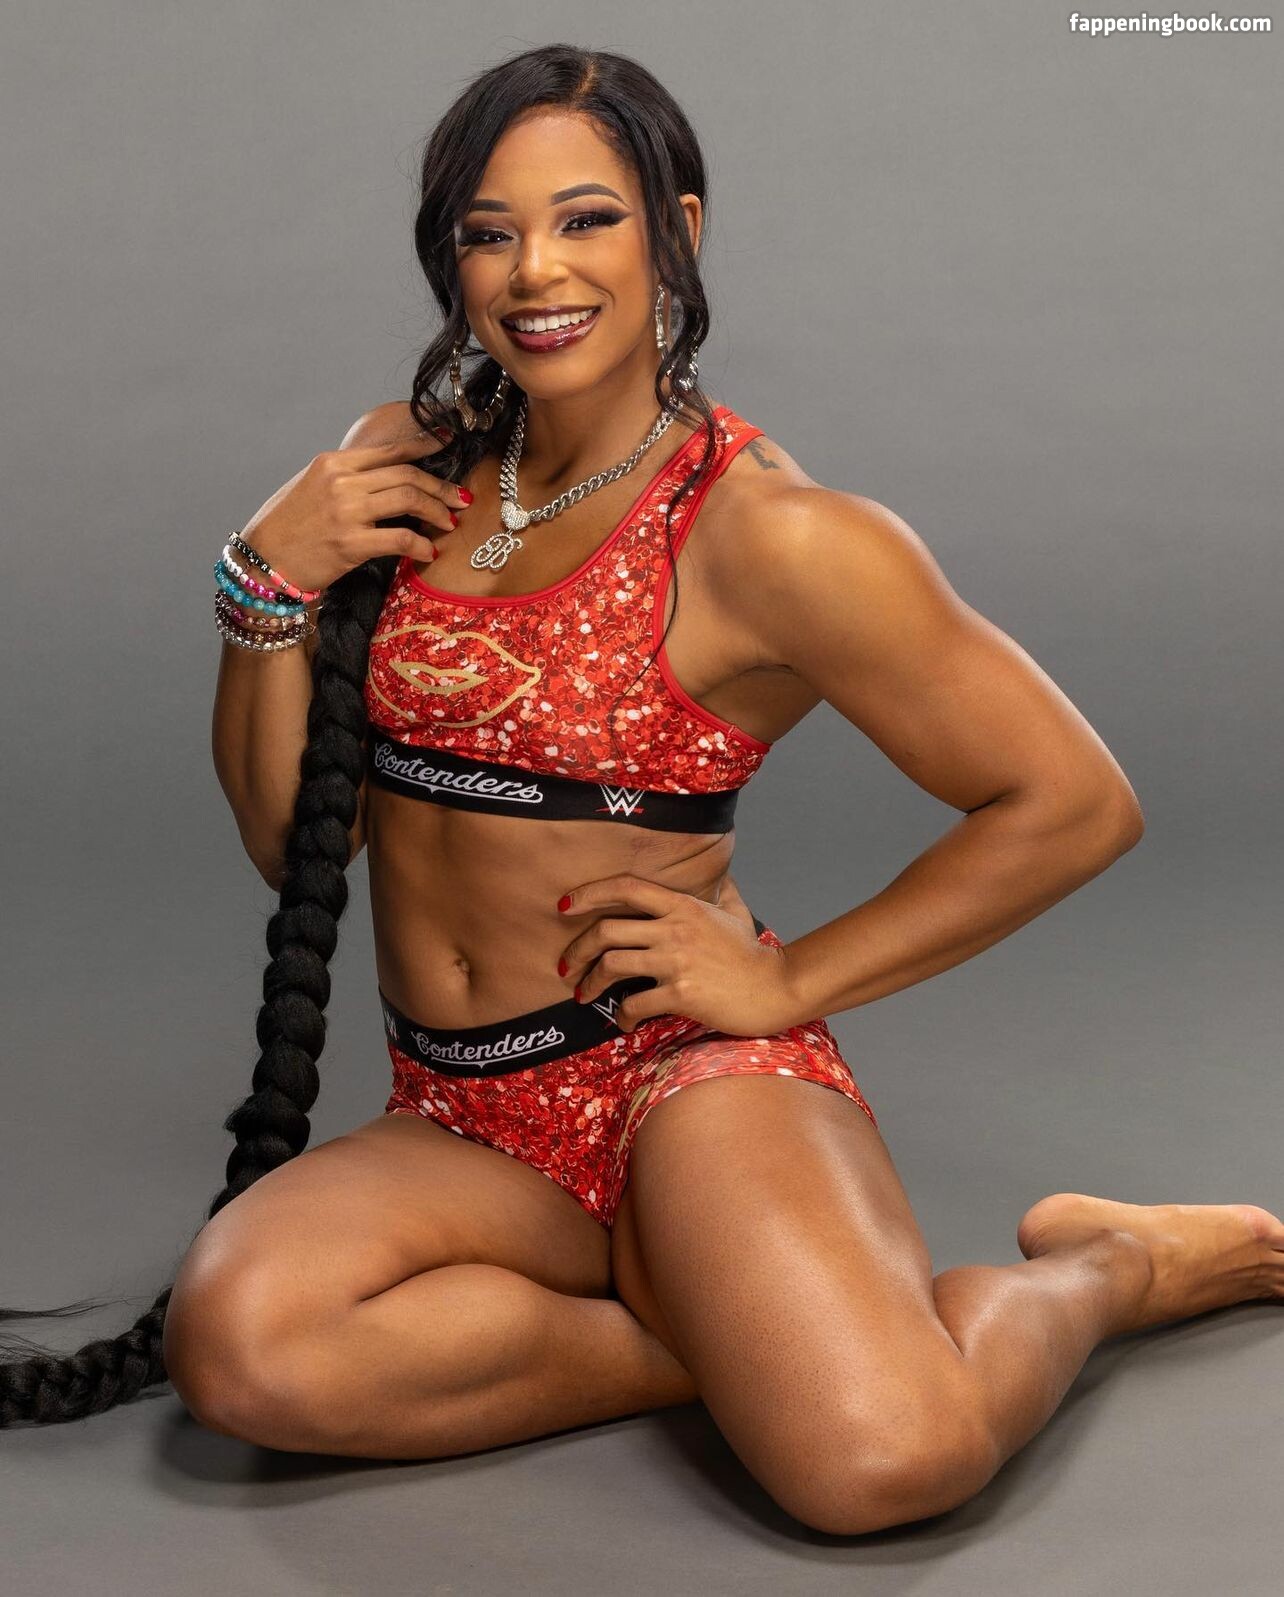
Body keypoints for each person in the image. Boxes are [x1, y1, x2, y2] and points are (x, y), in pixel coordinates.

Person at [3, 42, 1280, 1536]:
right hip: (468, 1113)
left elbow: (1073, 800)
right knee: (240, 1351)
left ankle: (1109, 1266)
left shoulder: (768, 536)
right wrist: (263, 582)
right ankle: (725, 1341)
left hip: (680, 1080)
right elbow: (296, 842)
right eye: (490, 232)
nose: (536, 271)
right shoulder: (399, 468)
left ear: (677, 228)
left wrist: (785, 980)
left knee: (884, 1463)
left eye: (587, 218)